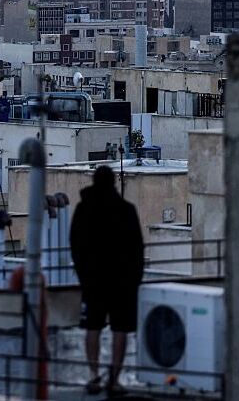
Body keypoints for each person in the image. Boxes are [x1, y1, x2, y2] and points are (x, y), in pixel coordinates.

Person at [70, 165, 144, 395]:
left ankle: (94, 376)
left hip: (93, 279)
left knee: (93, 325)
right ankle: (114, 379)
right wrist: (134, 278)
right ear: (113, 182)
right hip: (122, 280)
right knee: (119, 329)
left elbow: (76, 245)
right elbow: (137, 248)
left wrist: (84, 274)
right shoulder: (126, 209)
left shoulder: (84, 208)